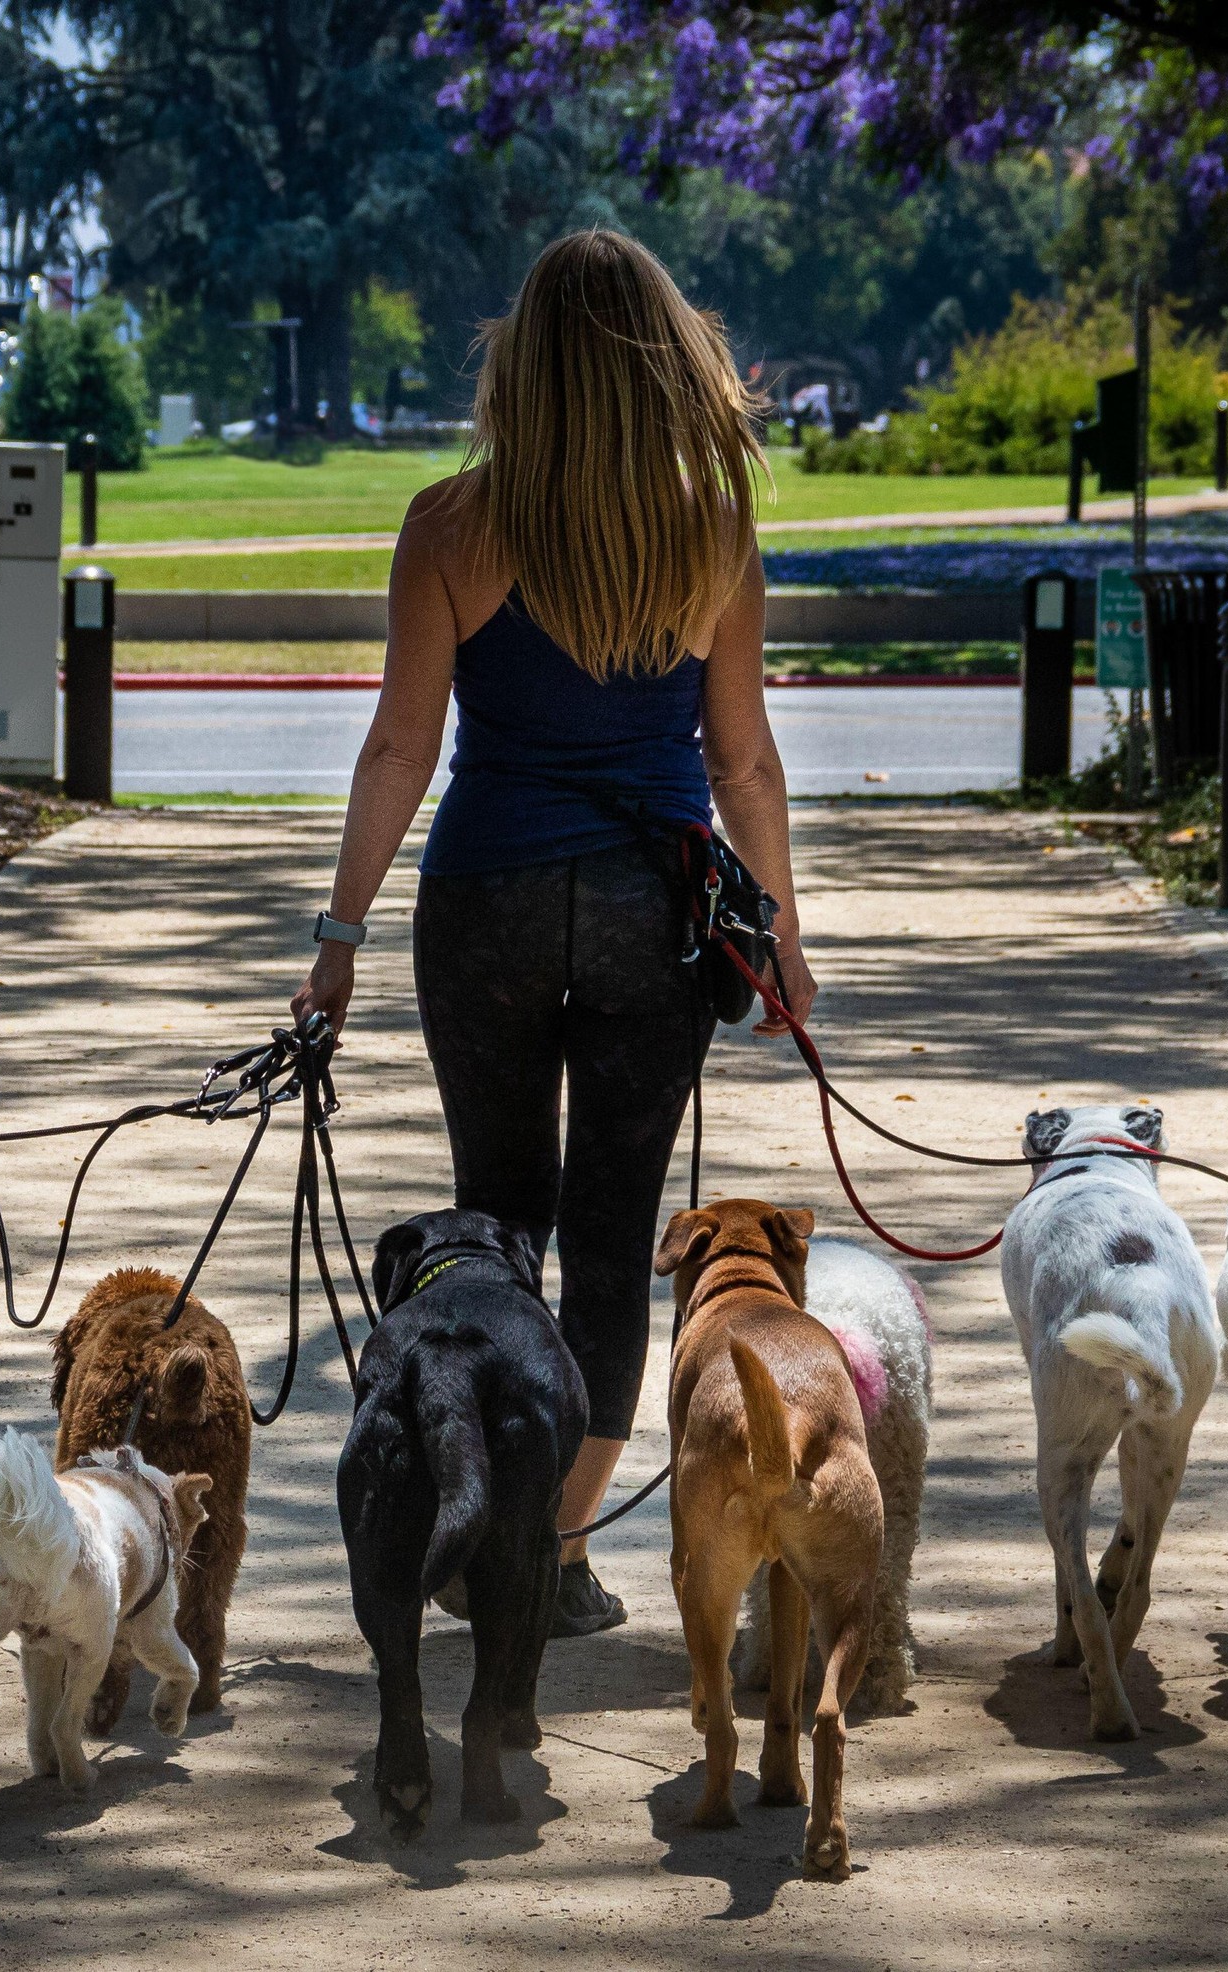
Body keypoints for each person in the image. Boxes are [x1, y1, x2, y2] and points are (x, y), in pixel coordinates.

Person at [292, 231, 818, 1639]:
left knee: (496, 1228)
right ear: (666, 364)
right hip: (655, 912)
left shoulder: (448, 526)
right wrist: (777, 936)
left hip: (486, 907)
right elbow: (743, 765)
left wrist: (336, 937)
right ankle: (555, 1549)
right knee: (607, 1240)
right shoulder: (708, 531)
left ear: (520, 364)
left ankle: (489, 1525)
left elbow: (400, 746)